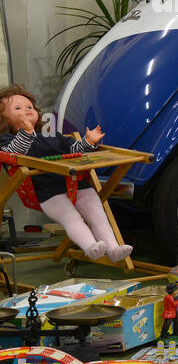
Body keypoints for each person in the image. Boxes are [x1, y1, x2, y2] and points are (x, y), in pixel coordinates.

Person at [0, 84, 132, 263]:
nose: (26, 110)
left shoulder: (51, 136)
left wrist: (88, 142)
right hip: (47, 192)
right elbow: (15, 153)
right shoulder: (7, 141)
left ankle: (113, 248)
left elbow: (73, 149)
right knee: (72, 218)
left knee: (98, 216)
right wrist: (26, 133)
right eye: (18, 108)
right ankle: (90, 247)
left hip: (76, 183)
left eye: (29, 107)